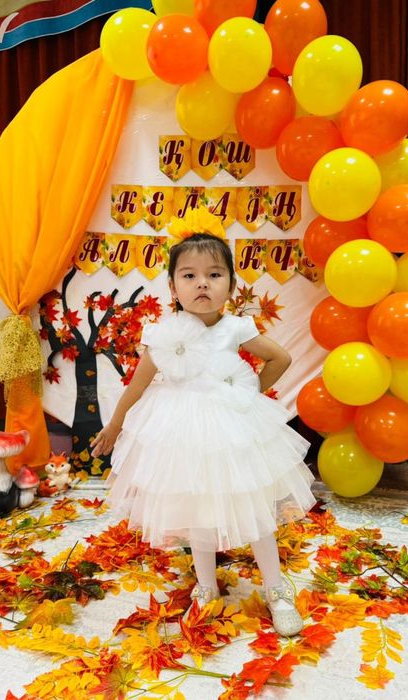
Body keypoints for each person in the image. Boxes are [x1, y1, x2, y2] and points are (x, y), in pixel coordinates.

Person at [91, 207, 316, 636]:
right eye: (189, 276)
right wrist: (115, 425)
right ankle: (207, 585)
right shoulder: (162, 333)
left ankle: (276, 588)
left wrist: (246, 391)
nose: (202, 284)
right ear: (172, 285)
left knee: (252, 505)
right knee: (197, 504)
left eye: (214, 275)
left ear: (230, 284)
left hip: (233, 430)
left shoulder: (236, 327)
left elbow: (280, 358)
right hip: (181, 431)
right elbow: (137, 385)